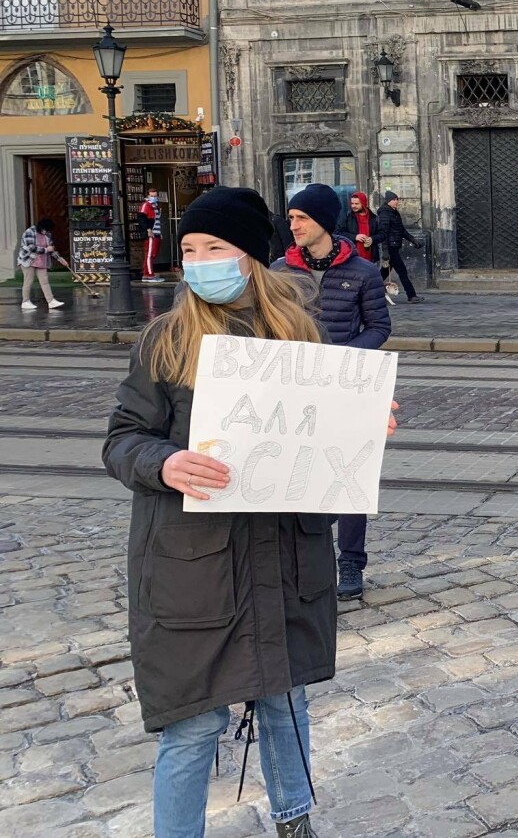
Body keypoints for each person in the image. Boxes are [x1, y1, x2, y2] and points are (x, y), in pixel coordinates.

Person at [102, 186, 346, 838]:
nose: (198, 260)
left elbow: (325, 437)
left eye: (215, 247)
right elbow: (122, 439)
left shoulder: (298, 332)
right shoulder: (167, 339)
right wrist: (163, 463)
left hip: (283, 553)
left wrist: (361, 429)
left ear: (252, 258)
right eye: (188, 249)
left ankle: (295, 820)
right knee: (192, 722)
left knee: (284, 698)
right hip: (194, 566)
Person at [276, 182, 391, 601]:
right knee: (299, 472)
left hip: (347, 385)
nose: (294, 226)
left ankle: (351, 561)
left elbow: (380, 328)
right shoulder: (279, 271)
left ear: (323, 221)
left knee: (350, 474)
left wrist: (339, 357)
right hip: (297, 388)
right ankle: (307, 558)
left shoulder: (361, 271)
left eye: (301, 218)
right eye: (290, 218)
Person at [378, 190, 424, 304]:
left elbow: (401, 230)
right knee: (402, 271)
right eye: (395, 199)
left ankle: (368, 289)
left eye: (397, 199)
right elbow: (384, 232)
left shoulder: (394, 212)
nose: (397, 201)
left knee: (383, 273)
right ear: (389, 201)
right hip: (390, 247)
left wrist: (413, 240)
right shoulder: (385, 213)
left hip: (395, 246)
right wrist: (385, 251)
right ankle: (411, 295)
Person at [17, 217, 63, 310]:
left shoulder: (48, 234)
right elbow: (31, 247)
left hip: (41, 260)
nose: (45, 232)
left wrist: (60, 258)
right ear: (41, 227)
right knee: (28, 281)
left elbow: (51, 249)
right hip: (28, 260)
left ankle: (51, 301)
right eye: (44, 230)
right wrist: (46, 249)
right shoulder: (29, 232)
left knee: (45, 281)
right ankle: (25, 301)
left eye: (47, 230)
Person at [339, 190, 380, 265]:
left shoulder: (374, 218)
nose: (353, 206)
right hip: (352, 258)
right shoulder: (347, 217)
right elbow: (337, 233)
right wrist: (355, 237)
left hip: (371, 260)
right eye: (352, 203)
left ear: (363, 204)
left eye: (356, 204)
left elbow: (382, 234)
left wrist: (372, 239)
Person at [138, 186, 163, 283]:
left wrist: (159, 233)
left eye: (155, 196)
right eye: (152, 196)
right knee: (149, 254)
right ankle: (149, 275)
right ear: (148, 195)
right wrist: (148, 230)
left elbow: (157, 220)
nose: (154, 197)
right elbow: (141, 219)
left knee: (153, 254)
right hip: (151, 233)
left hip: (156, 232)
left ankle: (146, 274)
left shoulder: (155, 206)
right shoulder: (146, 205)